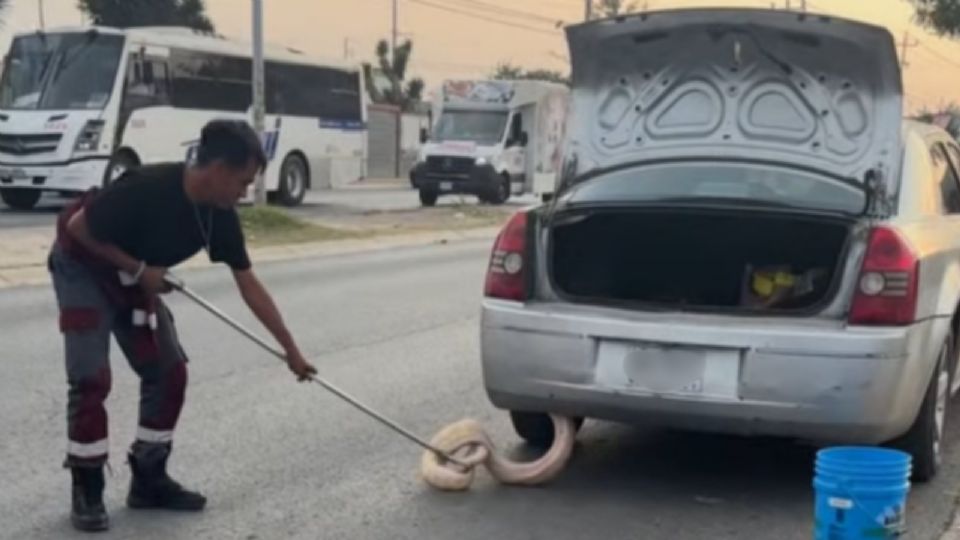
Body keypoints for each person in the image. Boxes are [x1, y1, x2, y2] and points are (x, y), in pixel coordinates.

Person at [48, 119, 317, 532]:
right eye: (243, 181)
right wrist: (139, 268)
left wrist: (292, 352)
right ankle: (87, 486)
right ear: (219, 171)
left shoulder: (219, 215)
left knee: (168, 370)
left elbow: (249, 285)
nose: (245, 192)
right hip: (83, 265)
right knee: (91, 377)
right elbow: (78, 228)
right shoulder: (146, 186)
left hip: (137, 275)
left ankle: (149, 479)